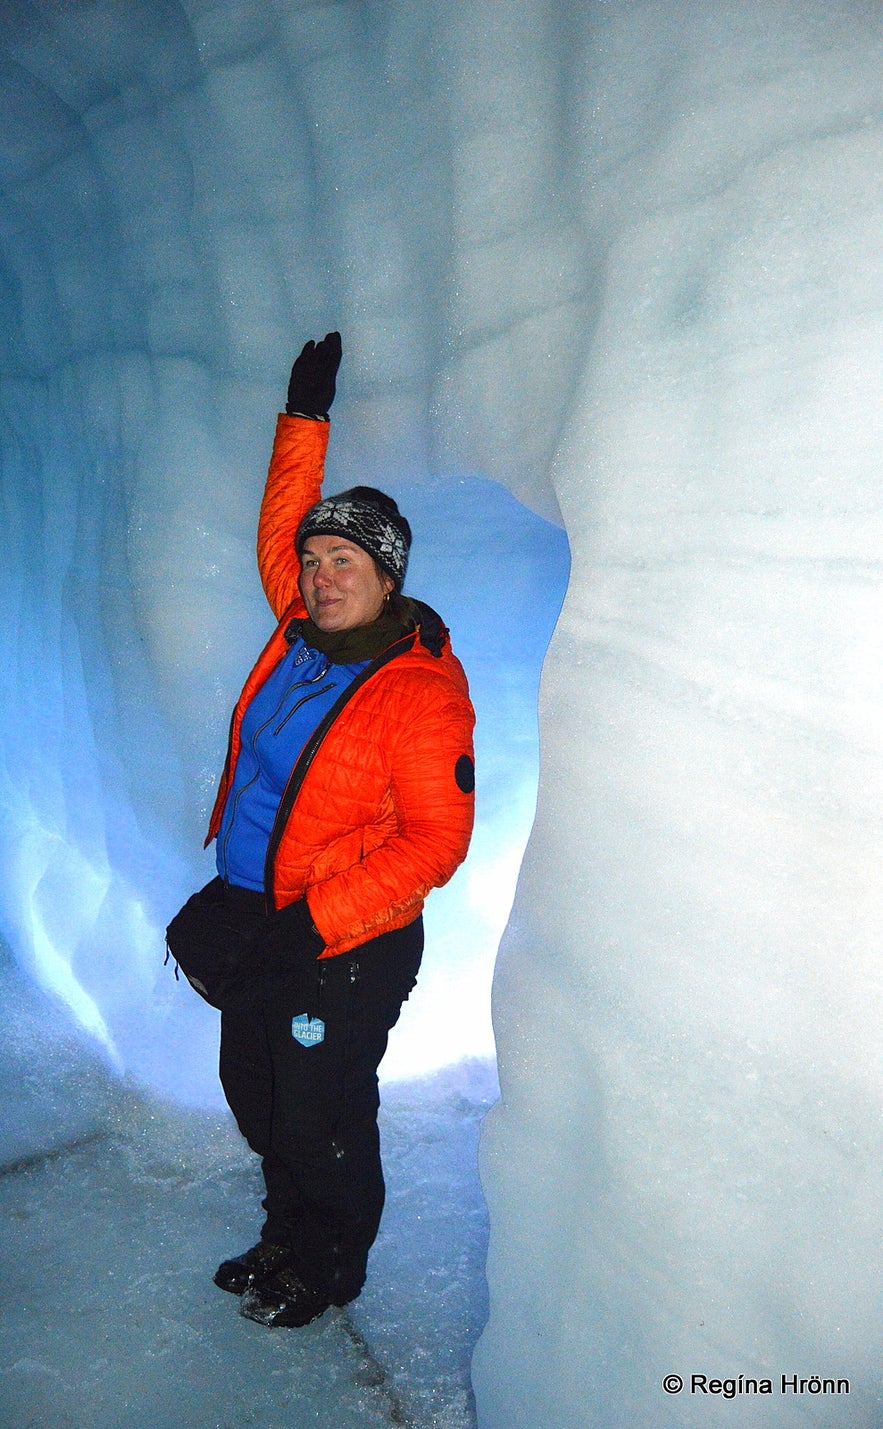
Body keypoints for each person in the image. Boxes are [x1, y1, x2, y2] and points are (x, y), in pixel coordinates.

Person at [166, 332, 475, 1328]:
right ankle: (283, 1231)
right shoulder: (299, 632)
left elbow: (434, 843)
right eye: (313, 559)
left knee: (319, 1111)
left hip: (344, 943)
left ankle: (325, 1263)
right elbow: (279, 526)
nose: (320, 572)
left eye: (343, 558)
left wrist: (314, 924)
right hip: (265, 910)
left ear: (386, 576)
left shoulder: (419, 691)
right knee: (253, 1087)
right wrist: (305, 414)